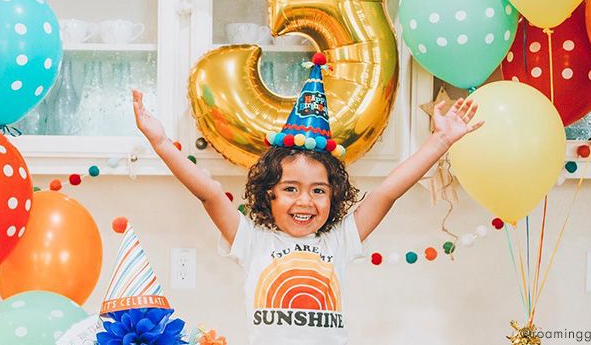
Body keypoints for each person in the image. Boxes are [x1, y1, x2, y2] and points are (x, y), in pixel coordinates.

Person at [130, 55, 483, 344]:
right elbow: (208, 194)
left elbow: (387, 192)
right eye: (290, 188)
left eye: (318, 190)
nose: (305, 201)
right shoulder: (252, 240)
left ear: (334, 195)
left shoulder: (339, 240)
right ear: (269, 193)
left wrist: (440, 141)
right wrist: (161, 143)